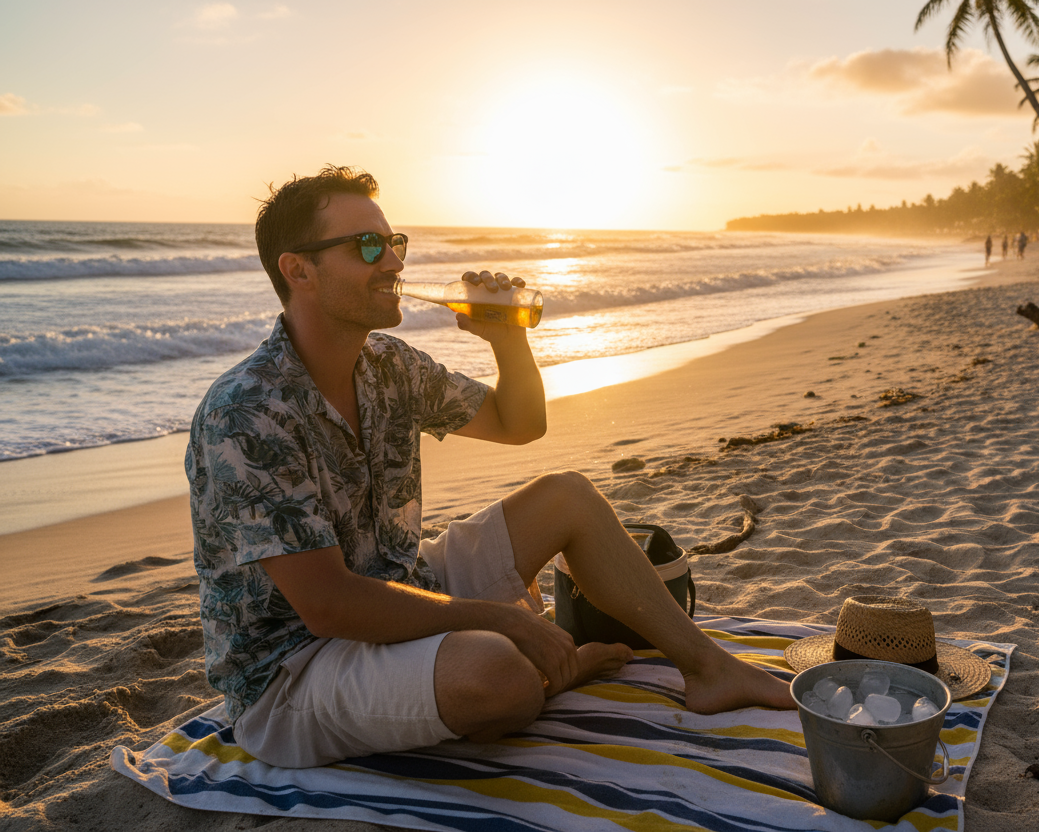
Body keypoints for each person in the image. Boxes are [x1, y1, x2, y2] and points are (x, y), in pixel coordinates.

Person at [185, 165, 794, 769]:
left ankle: (709, 669)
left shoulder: (391, 366)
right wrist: (500, 620)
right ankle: (545, 667)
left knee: (568, 497)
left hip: (401, 587)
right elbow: (329, 606)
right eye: (368, 246)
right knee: (494, 672)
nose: (394, 262)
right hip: (297, 667)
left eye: (395, 243)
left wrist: (507, 338)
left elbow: (518, 423)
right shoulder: (247, 411)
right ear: (299, 270)